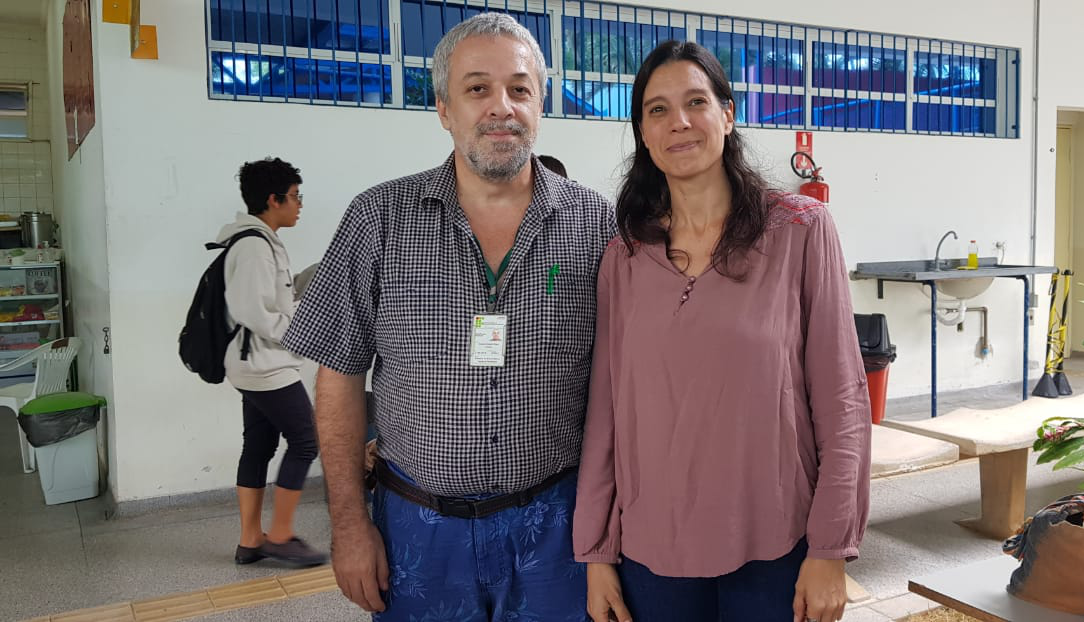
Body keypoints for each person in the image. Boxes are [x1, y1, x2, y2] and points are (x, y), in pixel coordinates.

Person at [282, 13, 614, 621]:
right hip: (417, 528)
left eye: (520, 88)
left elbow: (621, 388)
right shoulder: (378, 219)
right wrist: (350, 525)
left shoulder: (597, 226)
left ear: (540, 102)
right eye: (477, 88)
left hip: (557, 527)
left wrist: (609, 539)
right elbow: (339, 379)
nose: (501, 107)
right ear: (443, 108)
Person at [572, 41, 871, 622]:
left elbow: (842, 397)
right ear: (642, 132)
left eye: (695, 102)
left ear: (728, 115)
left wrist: (831, 546)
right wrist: (597, 552)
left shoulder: (800, 230)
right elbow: (606, 412)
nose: (678, 122)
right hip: (651, 550)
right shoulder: (627, 256)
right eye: (656, 110)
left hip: (775, 543)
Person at [220, 157, 326, 567]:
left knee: (259, 445)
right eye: (295, 197)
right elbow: (253, 310)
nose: (300, 205)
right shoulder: (253, 245)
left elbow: (272, 297)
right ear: (272, 199)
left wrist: (306, 280)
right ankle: (280, 535)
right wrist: (300, 329)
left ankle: (251, 540)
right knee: (305, 441)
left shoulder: (260, 241)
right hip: (265, 365)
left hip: (254, 364)